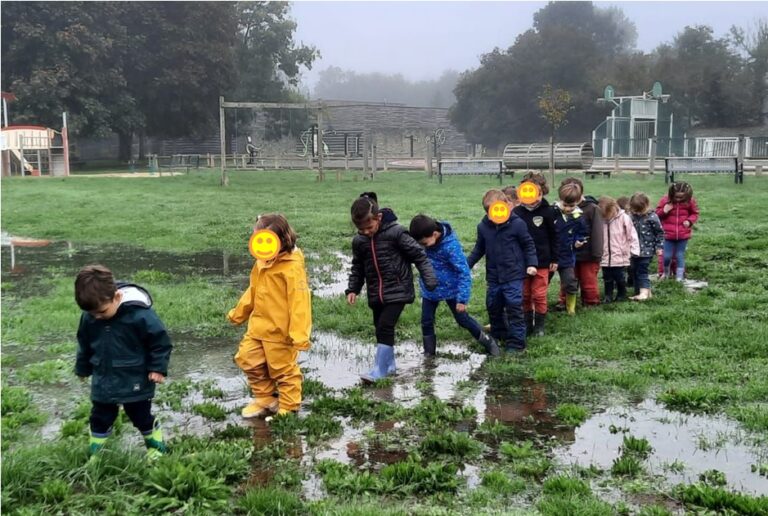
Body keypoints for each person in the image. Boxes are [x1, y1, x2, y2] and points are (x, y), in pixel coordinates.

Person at [75, 265, 172, 459]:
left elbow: (160, 342)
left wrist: (157, 368)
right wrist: (83, 367)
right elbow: (84, 343)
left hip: (134, 377)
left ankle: (156, 448)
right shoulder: (90, 317)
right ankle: (98, 454)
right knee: (99, 417)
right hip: (103, 377)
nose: (97, 317)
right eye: (92, 313)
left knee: (140, 415)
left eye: (101, 311)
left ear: (117, 297)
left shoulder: (140, 315)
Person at [345, 192, 437, 382]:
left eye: (369, 227)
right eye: (361, 229)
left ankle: (379, 370)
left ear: (378, 218)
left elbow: (419, 255)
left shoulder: (396, 233)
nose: (366, 232)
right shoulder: (359, 242)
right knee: (380, 328)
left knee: (386, 326)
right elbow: (358, 267)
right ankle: (390, 365)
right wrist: (353, 288)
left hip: (398, 290)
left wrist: (429, 278)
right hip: (375, 293)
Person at [228, 213, 312, 418]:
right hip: (258, 327)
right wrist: (239, 313)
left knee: (282, 369)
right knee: (247, 358)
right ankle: (265, 398)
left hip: (280, 332)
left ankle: (289, 406)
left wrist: (299, 333)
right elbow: (253, 290)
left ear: (281, 241)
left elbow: (299, 301)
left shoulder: (292, 267)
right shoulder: (261, 263)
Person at [409, 214, 500, 357]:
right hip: (430, 290)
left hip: (452, 290)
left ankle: (489, 342)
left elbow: (464, 273)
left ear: (435, 234)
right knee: (426, 321)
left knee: (462, 320)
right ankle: (429, 353)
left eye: (424, 244)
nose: (422, 247)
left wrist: (462, 299)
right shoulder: (424, 240)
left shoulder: (451, 247)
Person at [468, 189, 537, 352]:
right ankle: (499, 334)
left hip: (513, 275)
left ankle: (517, 343)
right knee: (493, 305)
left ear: (507, 205)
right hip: (494, 277)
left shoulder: (518, 224)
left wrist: (532, 263)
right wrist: (466, 265)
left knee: (514, 307)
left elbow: (528, 244)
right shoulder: (483, 227)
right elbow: (479, 249)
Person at [513, 172, 558, 336]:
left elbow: (554, 236)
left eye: (539, 193)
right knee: (524, 294)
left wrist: (555, 258)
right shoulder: (516, 212)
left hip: (543, 261)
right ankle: (526, 323)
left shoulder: (548, 211)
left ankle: (539, 325)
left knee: (539, 294)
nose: (535, 197)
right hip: (522, 262)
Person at [559, 177, 603, 307]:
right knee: (567, 279)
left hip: (588, 253)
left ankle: (590, 302)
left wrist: (597, 253)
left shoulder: (592, 208)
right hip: (567, 253)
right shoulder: (561, 209)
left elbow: (597, 231)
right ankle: (564, 301)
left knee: (588, 279)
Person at [552, 183, 588, 315]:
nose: (567, 208)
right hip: (551, 255)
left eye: (571, 206)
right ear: (560, 199)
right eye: (565, 205)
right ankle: (537, 306)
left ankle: (570, 307)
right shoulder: (552, 212)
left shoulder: (578, 217)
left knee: (570, 282)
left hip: (567, 256)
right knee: (542, 282)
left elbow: (583, 233)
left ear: (578, 202)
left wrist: (579, 241)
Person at [598, 196, 640, 303]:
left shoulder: (624, 218)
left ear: (613, 208)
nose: (606, 218)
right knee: (607, 277)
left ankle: (622, 293)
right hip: (605, 254)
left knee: (619, 276)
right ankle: (608, 295)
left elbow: (632, 235)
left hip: (620, 254)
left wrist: (634, 250)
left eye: (607, 215)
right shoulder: (601, 220)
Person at [655, 181, 699, 281]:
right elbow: (656, 215)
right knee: (666, 256)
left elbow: (695, 213)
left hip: (683, 235)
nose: (678, 199)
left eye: (681, 197)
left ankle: (679, 277)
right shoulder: (665, 200)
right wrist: (664, 211)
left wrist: (689, 221)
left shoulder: (690, 201)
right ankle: (666, 273)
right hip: (667, 235)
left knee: (679, 255)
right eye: (676, 197)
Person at [628, 192, 664, 300]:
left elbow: (660, 233)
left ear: (646, 206)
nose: (638, 213)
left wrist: (659, 247)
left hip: (647, 250)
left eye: (640, 210)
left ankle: (643, 293)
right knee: (633, 270)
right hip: (633, 250)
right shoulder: (630, 216)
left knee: (642, 270)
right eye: (635, 210)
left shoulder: (652, 217)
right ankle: (643, 292)